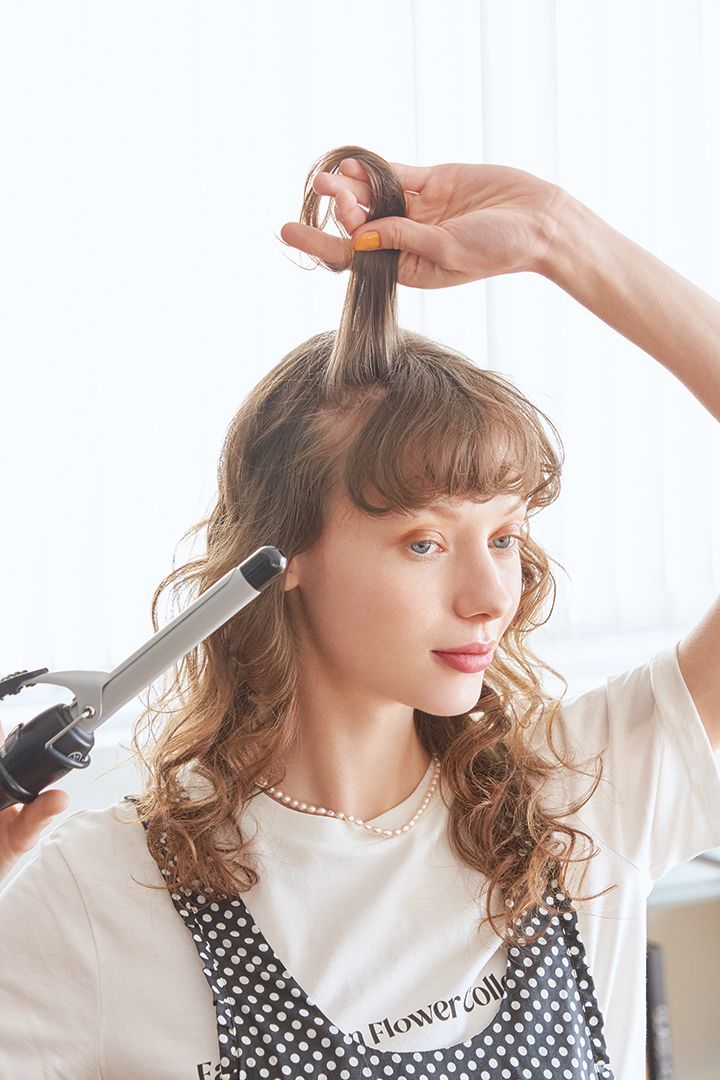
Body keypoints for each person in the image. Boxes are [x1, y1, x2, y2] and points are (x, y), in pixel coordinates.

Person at [0, 144, 719, 1080]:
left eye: (502, 537)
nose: (491, 593)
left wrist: (559, 238)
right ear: (279, 559)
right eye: (424, 542)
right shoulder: (98, 891)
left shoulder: (584, 792)